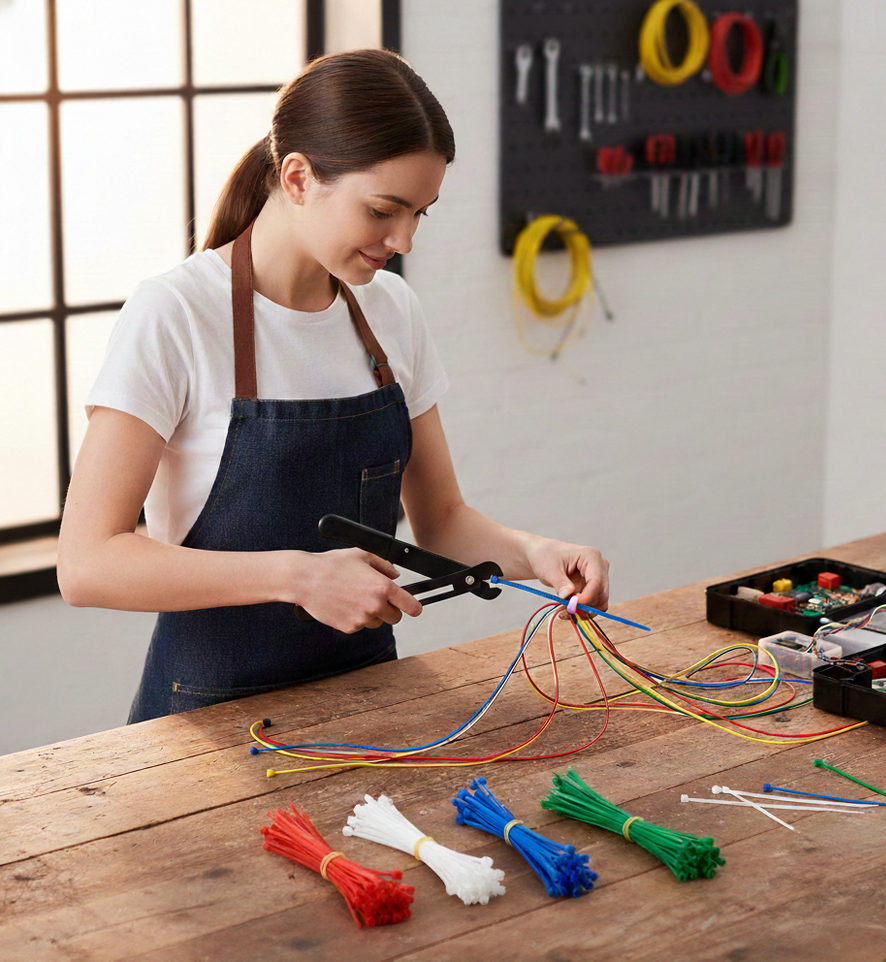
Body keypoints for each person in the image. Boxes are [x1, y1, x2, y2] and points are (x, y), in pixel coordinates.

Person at [57, 49, 610, 723]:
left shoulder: (391, 313)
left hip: (370, 705)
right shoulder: (175, 313)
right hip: (206, 722)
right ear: (297, 177)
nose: (403, 238)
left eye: (421, 214)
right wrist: (298, 576)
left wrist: (535, 553)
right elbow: (86, 564)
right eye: (384, 209)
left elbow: (438, 521)